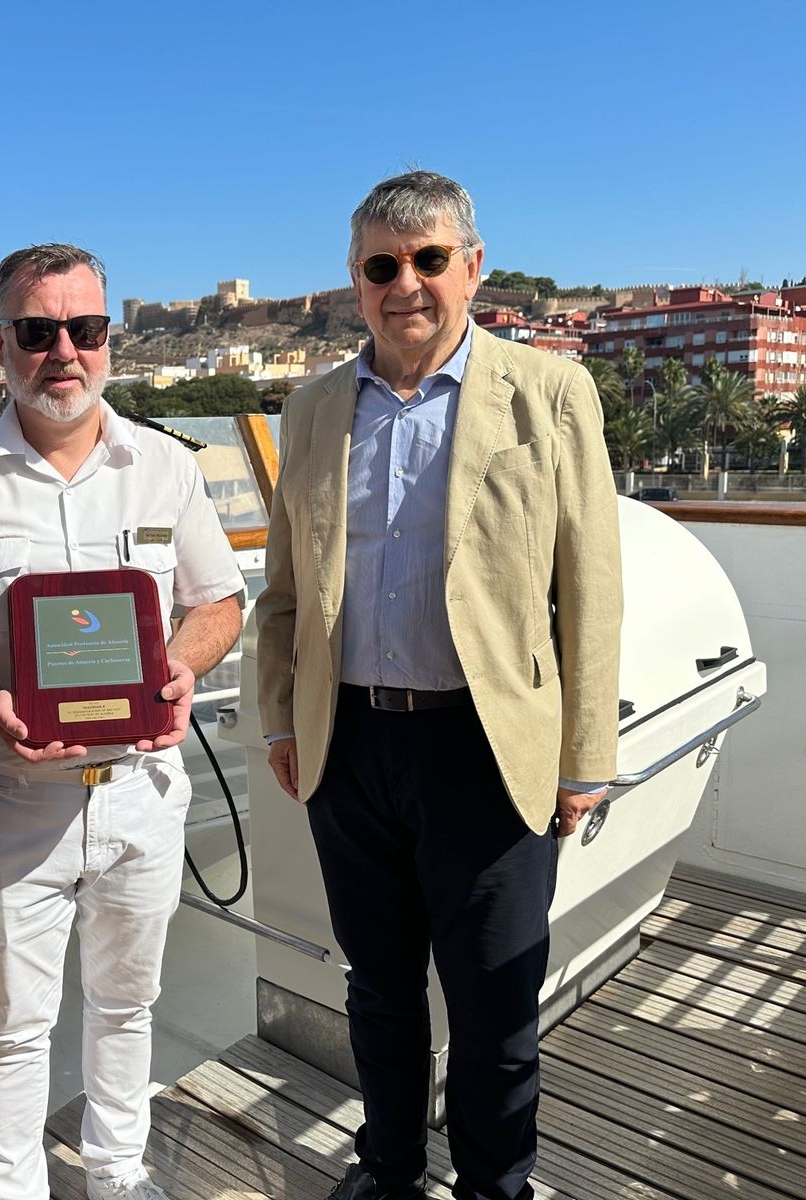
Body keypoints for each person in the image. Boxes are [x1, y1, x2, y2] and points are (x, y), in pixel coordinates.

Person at [254, 172, 623, 1200]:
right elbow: (284, 588)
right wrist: (283, 718)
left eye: (427, 260)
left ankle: (492, 1185)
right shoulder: (316, 405)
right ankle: (389, 1168)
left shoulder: (548, 392)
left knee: (496, 1003)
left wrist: (586, 757)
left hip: (487, 746)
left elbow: (590, 589)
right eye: (381, 265)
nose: (404, 284)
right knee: (376, 989)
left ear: (473, 266)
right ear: (354, 280)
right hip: (351, 744)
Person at [0, 244, 245, 1200]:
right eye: (39, 332)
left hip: (143, 794)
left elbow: (219, 604)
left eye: (85, 330)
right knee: (10, 1022)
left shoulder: (165, 466)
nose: (63, 352)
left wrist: (178, 664)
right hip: (12, 797)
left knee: (128, 1004)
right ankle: (14, 1188)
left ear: (110, 340)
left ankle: (119, 1174)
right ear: (1, 344)